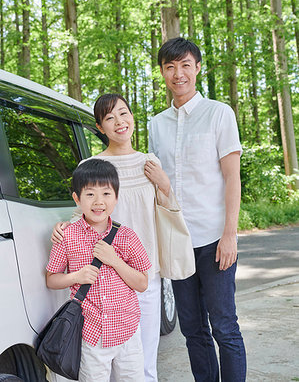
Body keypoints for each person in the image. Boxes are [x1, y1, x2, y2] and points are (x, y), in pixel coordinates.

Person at [51, 93, 175, 382]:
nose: (119, 122)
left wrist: (165, 184)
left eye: (123, 113)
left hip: (143, 274)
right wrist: (63, 227)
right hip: (102, 279)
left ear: (132, 116)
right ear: (100, 126)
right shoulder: (90, 165)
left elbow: (169, 212)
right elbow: (82, 211)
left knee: (143, 364)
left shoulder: (149, 162)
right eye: (110, 118)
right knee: (100, 364)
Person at [148, 37, 246, 382]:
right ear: (162, 72)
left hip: (214, 239)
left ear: (198, 67)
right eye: (170, 67)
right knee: (192, 330)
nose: (178, 74)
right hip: (177, 244)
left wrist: (229, 235)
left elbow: (232, 179)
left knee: (224, 327)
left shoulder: (219, 113)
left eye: (185, 65)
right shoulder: (155, 124)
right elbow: (154, 185)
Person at [46, 158, 151, 381]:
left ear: (116, 197)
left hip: (127, 332)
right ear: (77, 198)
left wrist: (115, 261)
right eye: (90, 194)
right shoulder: (67, 236)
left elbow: (142, 283)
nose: (98, 202)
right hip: (91, 336)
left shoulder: (127, 236)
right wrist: (77, 276)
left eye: (106, 194)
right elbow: (51, 279)